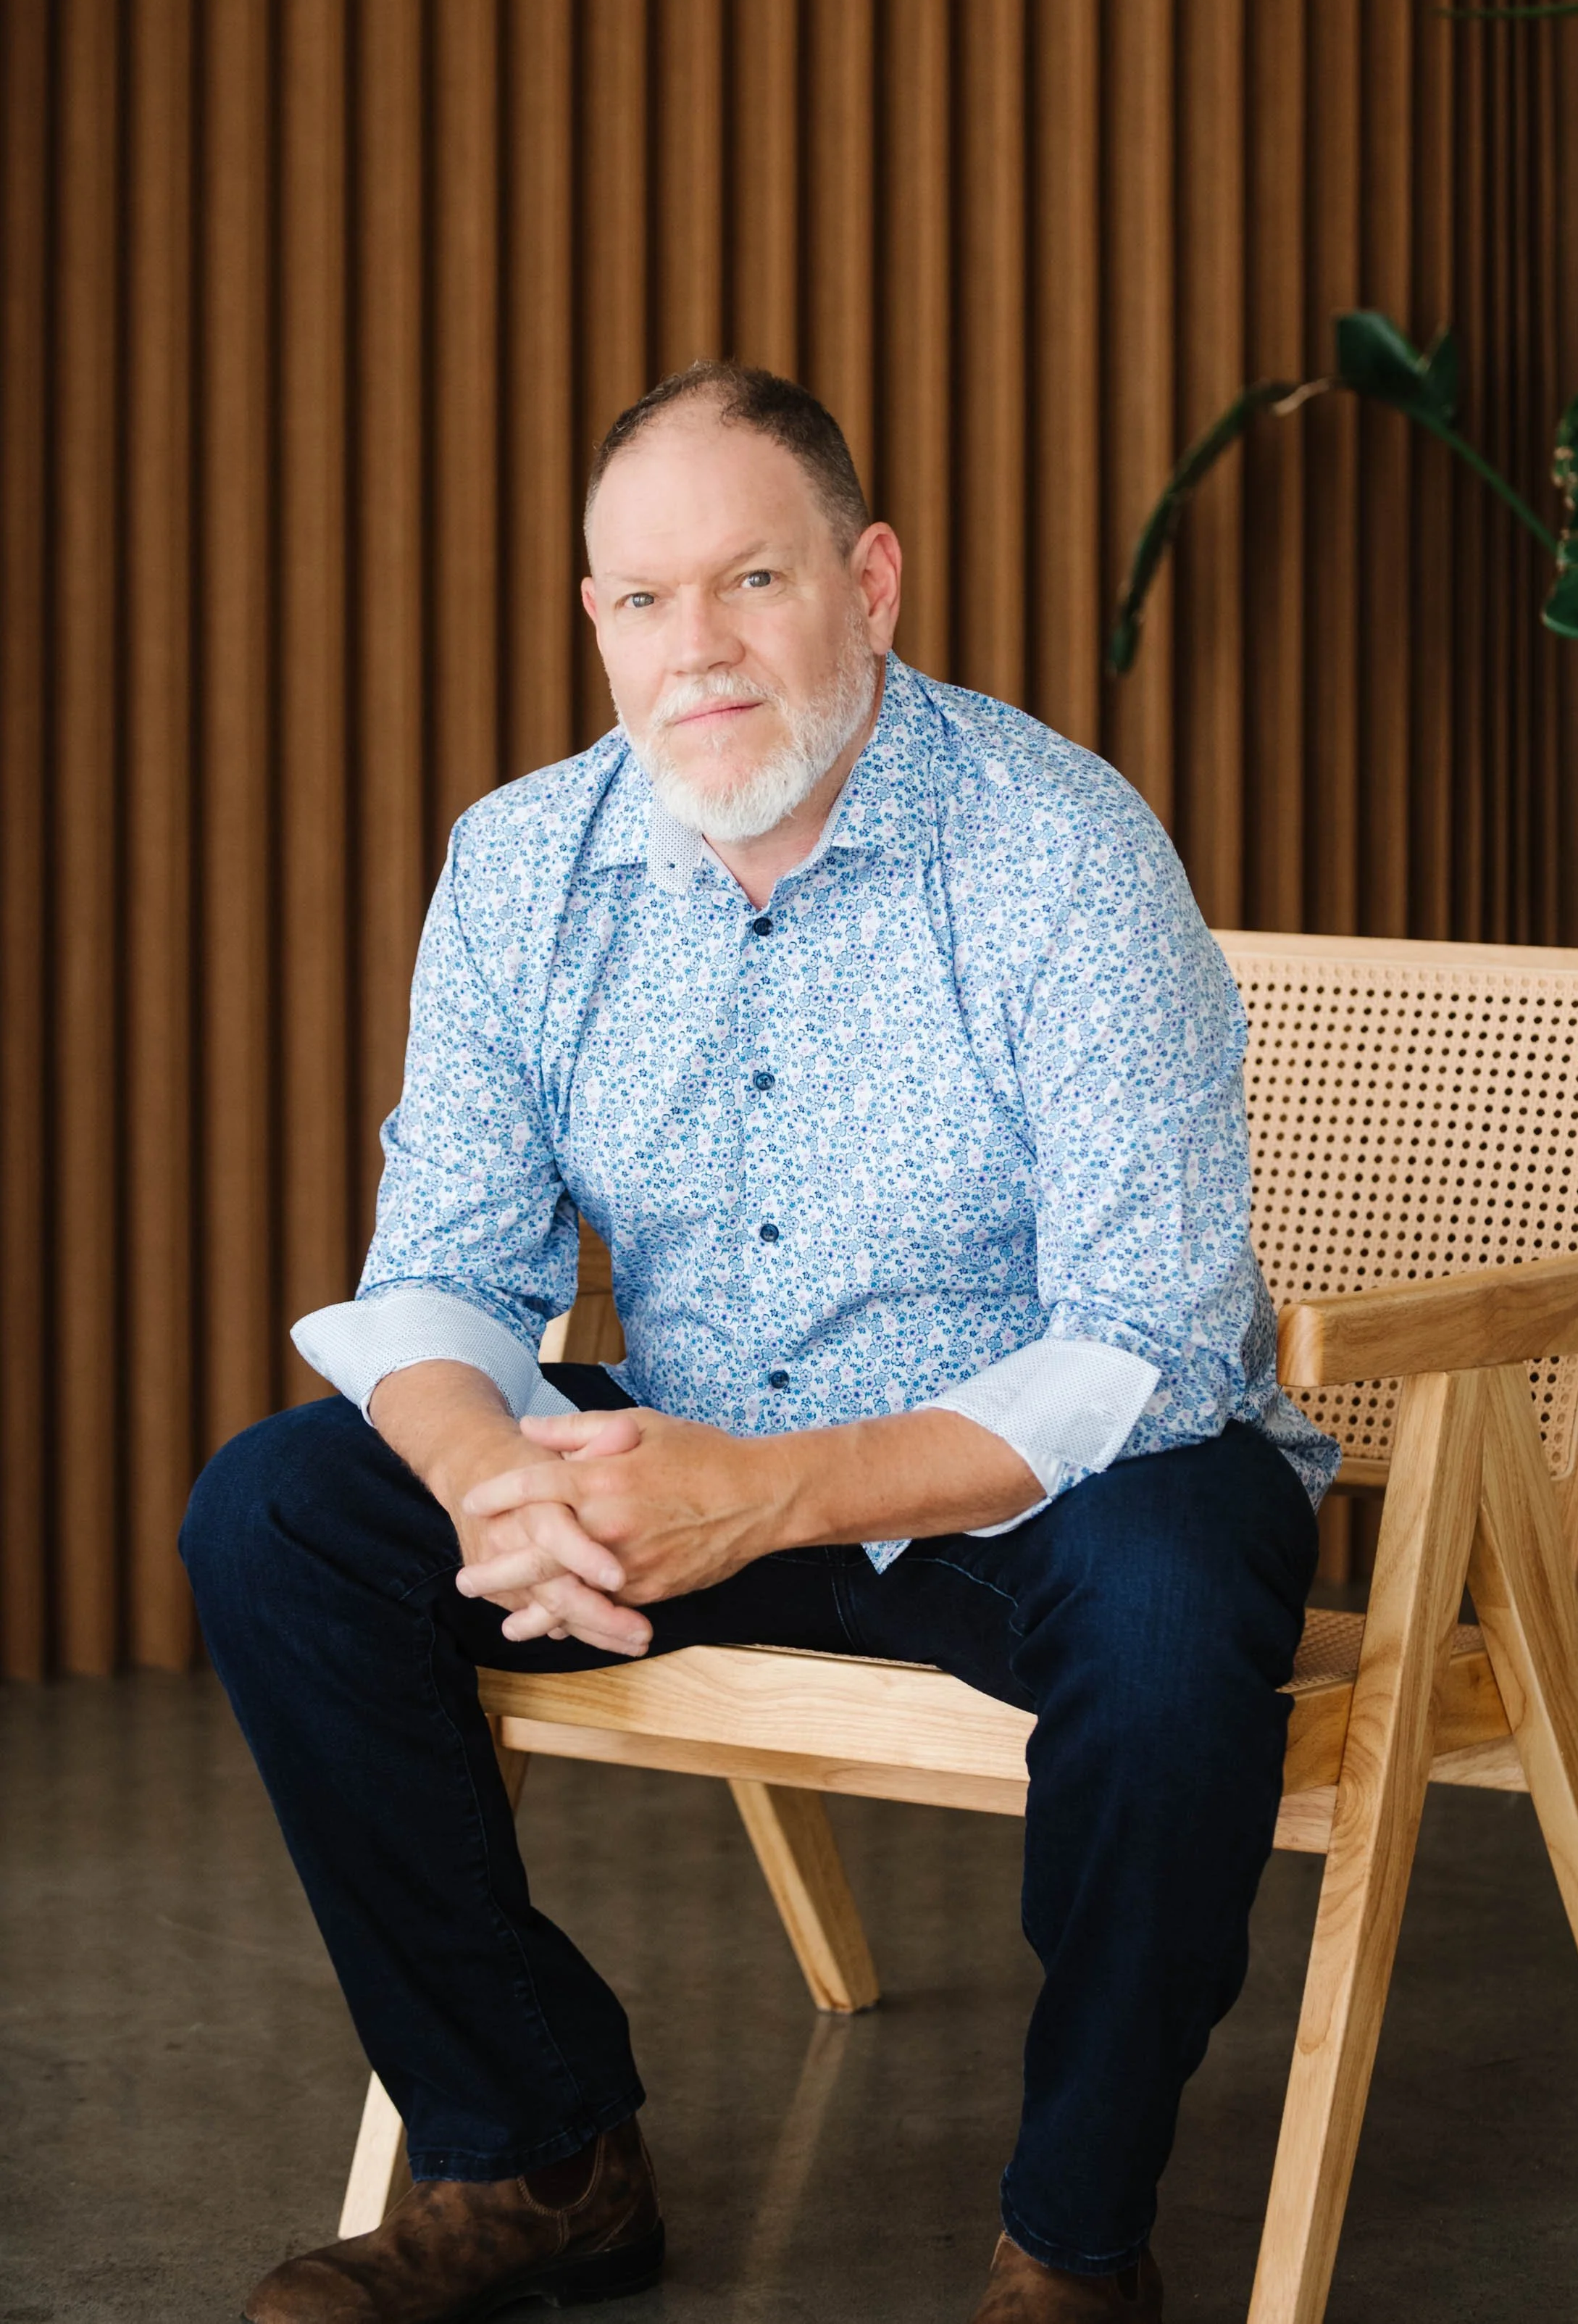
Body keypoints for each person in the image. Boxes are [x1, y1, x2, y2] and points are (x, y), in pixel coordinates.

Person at [182, 362, 1336, 2324]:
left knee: (1174, 1608)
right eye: (642, 599)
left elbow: (1147, 1338)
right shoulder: (522, 866)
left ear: (869, 583)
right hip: (700, 1458)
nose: (695, 649)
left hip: (1035, 1483)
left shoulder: (1058, 845)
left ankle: (1072, 2241)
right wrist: (482, 1477)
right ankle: (540, 2152)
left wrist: (769, 1494)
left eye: (751, 580)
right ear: (595, 625)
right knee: (280, 1517)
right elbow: (444, 1271)